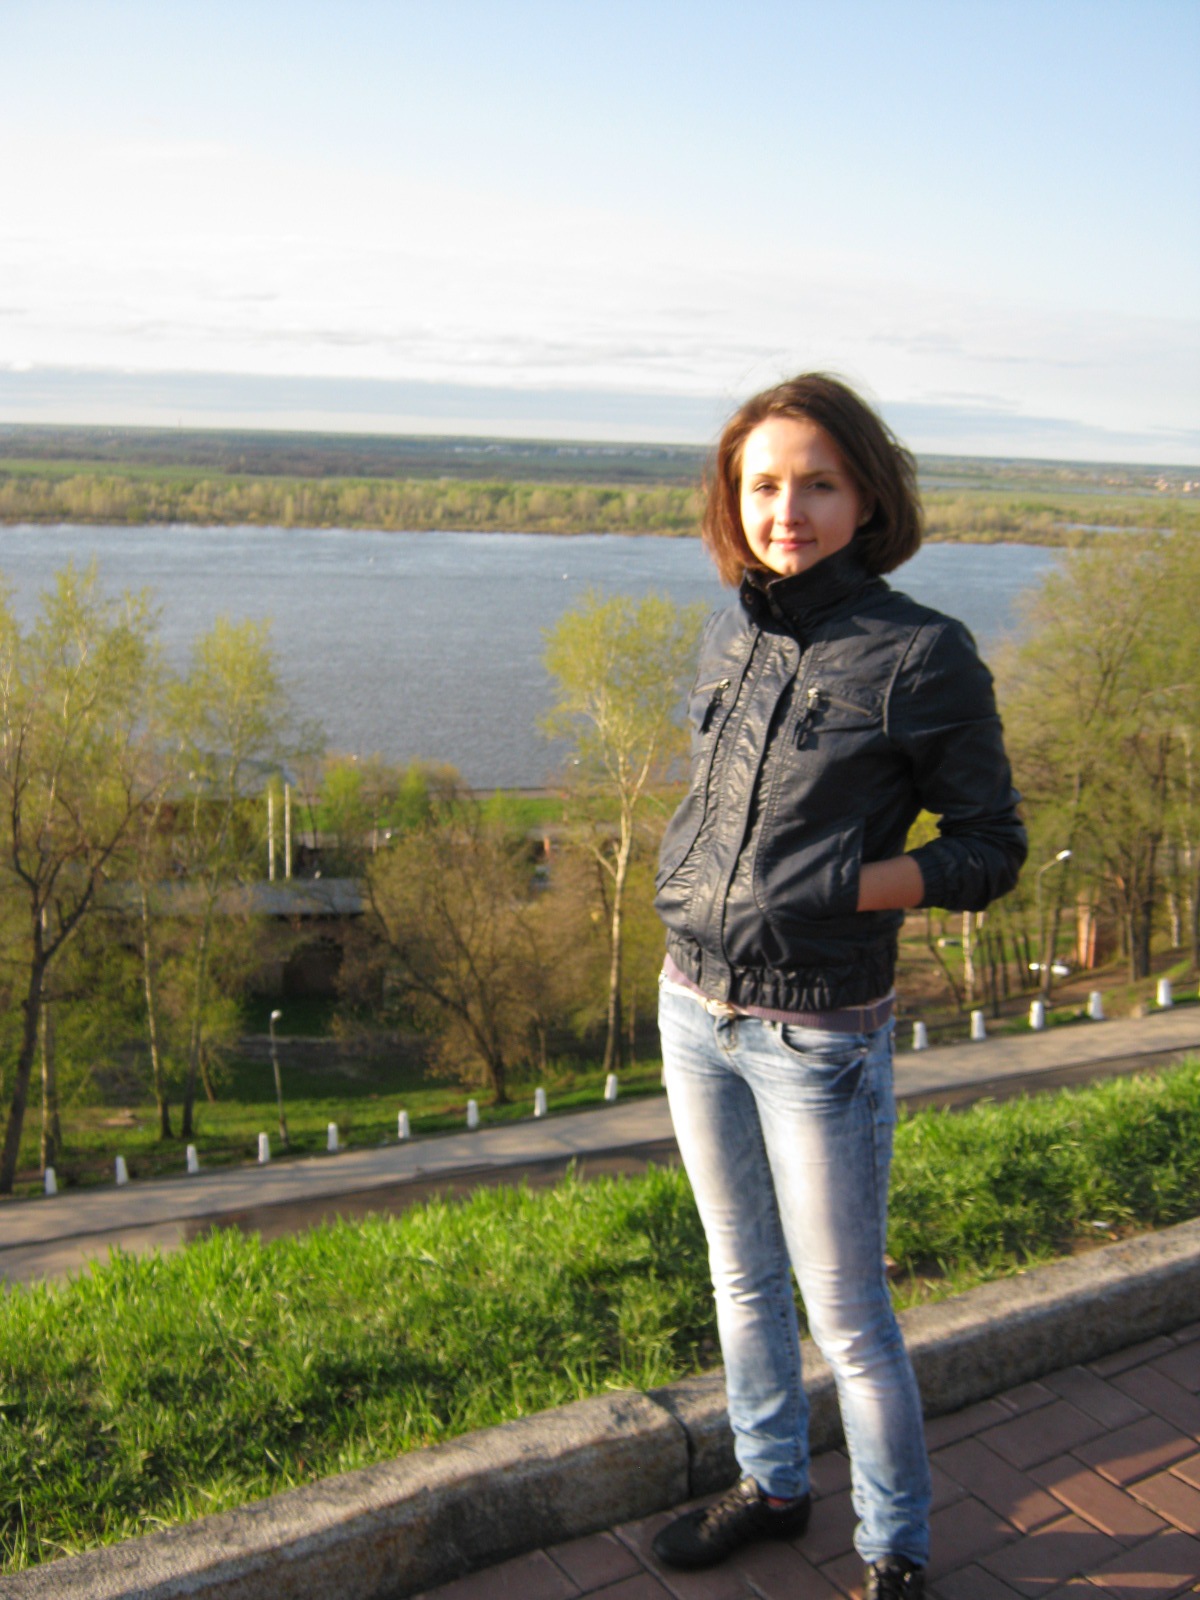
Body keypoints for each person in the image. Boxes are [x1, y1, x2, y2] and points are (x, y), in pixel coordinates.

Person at [652, 374, 1027, 1599]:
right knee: (740, 1276)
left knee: (849, 1316)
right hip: (693, 1003)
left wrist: (843, 888)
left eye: (817, 483)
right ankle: (771, 1484)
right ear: (733, 499)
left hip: (817, 1033)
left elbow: (990, 847)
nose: (787, 511)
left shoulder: (922, 653)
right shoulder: (734, 630)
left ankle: (894, 1552)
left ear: (867, 495)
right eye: (763, 484)